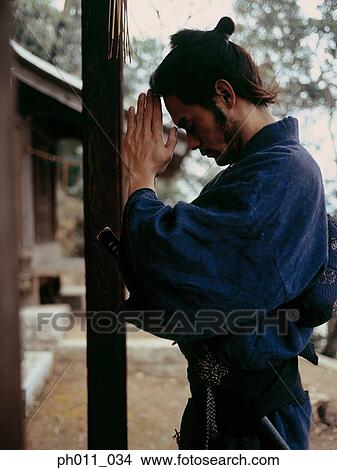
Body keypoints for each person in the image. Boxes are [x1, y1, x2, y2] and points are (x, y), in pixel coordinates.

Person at [117, 16, 328, 450]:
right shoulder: (249, 174)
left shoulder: (284, 171)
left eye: (190, 124)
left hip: (259, 423)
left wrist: (139, 180)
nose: (190, 143)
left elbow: (179, 269)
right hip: (222, 411)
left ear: (225, 95)